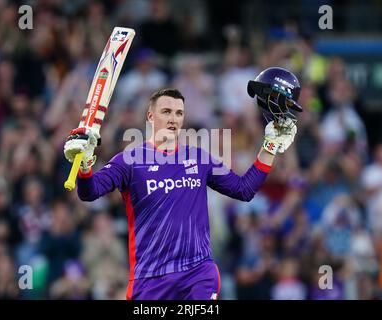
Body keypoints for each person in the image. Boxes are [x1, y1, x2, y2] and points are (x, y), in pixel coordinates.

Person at [63, 67, 301, 300]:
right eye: (166, 111)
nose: (173, 119)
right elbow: (90, 192)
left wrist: (269, 146)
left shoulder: (199, 158)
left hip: (197, 272)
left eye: (178, 113)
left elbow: (244, 190)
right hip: (150, 278)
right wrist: (84, 165)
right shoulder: (129, 161)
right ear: (150, 116)